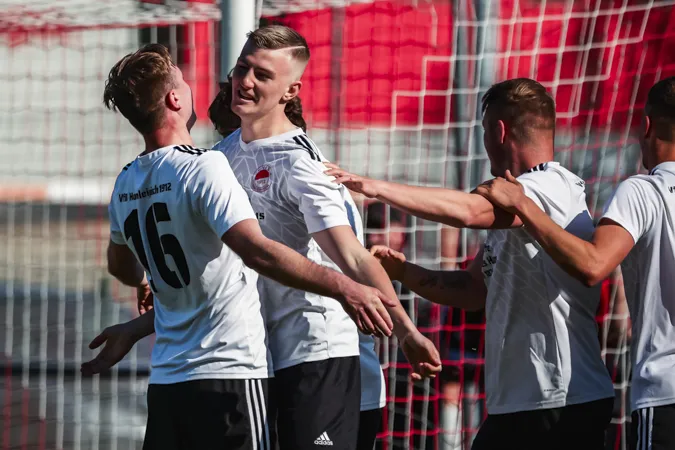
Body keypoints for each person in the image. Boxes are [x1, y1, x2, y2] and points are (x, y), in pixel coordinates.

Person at [81, 43, 398, 450]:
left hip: (168, 378)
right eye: (183, 80)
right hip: (230, 372)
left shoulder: (125, 182)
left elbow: (123, 269)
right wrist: (344, 287)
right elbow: (256, 251)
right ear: (175, 99)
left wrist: (145, 290)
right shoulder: (205, 165)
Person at [325, 78, 615, 450]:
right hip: (525, 403)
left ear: (499, 131)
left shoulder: (546, 187)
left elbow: (466, 212)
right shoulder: (515, 201)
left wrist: (375, 187)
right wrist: (403, 272)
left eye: (483, 131)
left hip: (560, 401)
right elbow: (473, 290)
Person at [212, 25, 442, 450]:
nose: (245, 81)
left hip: (317, 351)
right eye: (242, 68)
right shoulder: (220, 157)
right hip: (257, 356)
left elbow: (353, 257)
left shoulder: (299, 163)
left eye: (262, 74)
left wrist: (406, 331)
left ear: (290, 91)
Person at [475, 77, 675, 450]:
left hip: (655, 390)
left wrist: (379, 188)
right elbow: (473, 288)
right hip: (540, 399)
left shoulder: (643, 190)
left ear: (646, 126)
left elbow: (594, 265)